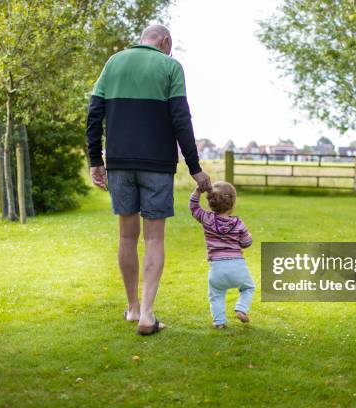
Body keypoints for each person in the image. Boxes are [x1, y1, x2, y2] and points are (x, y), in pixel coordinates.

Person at [86, 24, 212, 335]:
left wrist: (95, 161)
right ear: (166, 42)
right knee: (154, 238)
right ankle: (148, 314)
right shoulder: (170, 66)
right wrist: (195, 167)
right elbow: (181, 118)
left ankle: (132, 308)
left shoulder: (113, 62)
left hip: (119, 163)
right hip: (157, 165)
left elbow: (94, 114)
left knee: (127, 237)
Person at [189, 181, 255, 328]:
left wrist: (197, 191)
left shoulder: (207, 219)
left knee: (216, 295)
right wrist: (247, 237)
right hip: (238, 266)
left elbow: (193, 208)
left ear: (211, 202)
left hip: (217, 268)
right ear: (232, 203)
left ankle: (219, 322)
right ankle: (241, 309)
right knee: (248, 288)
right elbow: (246, 243)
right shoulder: (238, 223)